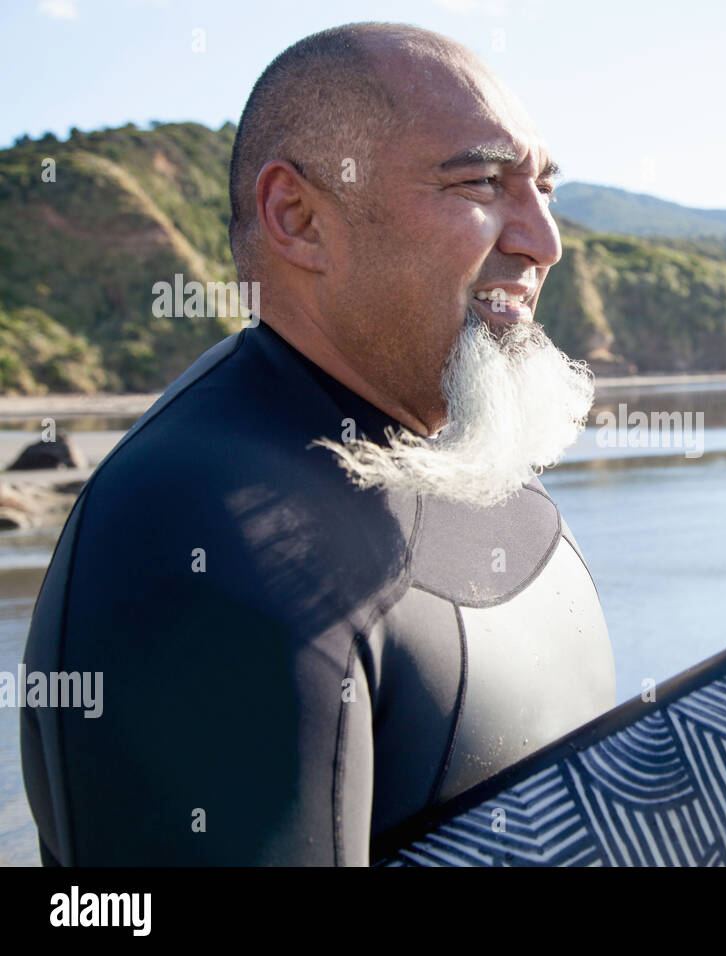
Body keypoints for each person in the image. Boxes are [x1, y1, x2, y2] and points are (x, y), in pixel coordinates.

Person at [21, 22, 615, 866]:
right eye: (481, 181)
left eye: (545, 189)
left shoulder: (486, 476)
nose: (542, 241)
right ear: (298, 219)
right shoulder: (197, 532)